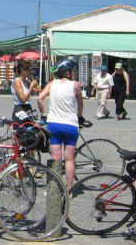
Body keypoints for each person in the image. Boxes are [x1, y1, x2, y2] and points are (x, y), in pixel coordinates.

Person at [37, 59, 85, 190]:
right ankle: (69, 188)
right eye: (73, 70)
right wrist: (79, 116)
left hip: (54, 125)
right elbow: (80, 104)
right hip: (70, 124)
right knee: (69, 159)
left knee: (56, 159)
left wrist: (43, 115)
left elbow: (39, 98)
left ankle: (56, 188)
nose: (75, 73)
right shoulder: (76, 85)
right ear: (67, 73)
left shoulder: (51, 84)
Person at [11, 60, 42, 176]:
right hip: (20, 111)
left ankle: (30, 166)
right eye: (29, 69)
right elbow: (23, 98)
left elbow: (39, 91)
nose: (31, 71)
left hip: (27, 110)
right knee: (21, 139)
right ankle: (16, 167)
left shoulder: (26, 81)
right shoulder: (17, 82)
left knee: (31, 138)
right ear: (23, 70)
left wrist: (34, 83)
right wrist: (30, 88)